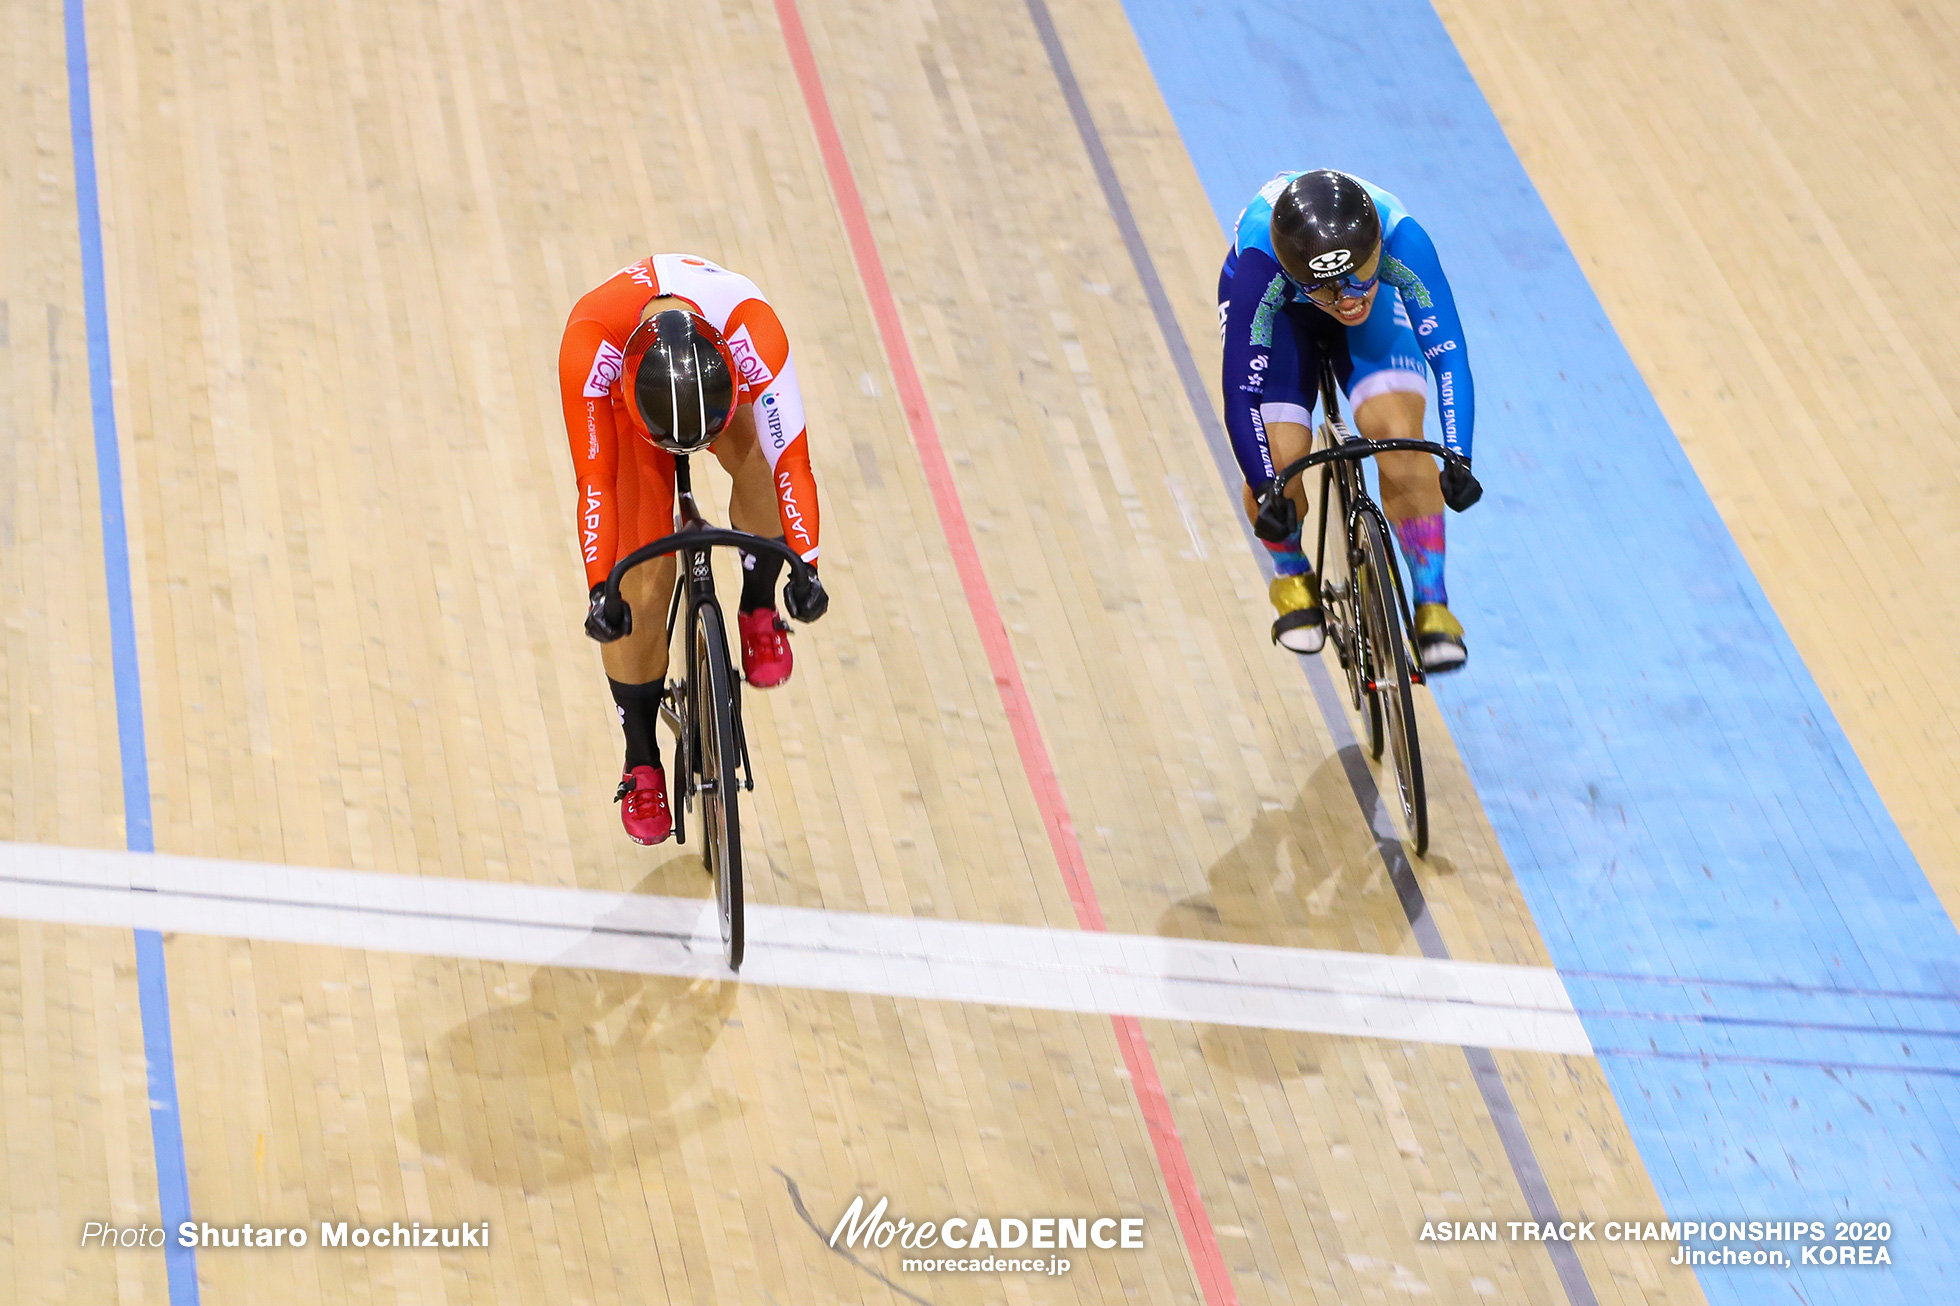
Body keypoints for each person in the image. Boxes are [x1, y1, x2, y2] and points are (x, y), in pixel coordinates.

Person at [558, 254, 826, 845]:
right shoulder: (591, 348)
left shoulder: (752, 330)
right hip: (633, 415)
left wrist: (805, 566)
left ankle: (758, 606)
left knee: (763, 468)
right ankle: (641, 759)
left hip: (710, 388)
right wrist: (603, 587)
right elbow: (595, 486)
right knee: (642, 590)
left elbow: (794, 463)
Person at [1217, 170, 1482, 672]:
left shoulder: (1401, 239)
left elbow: (1448, 355)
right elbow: (1241, 395)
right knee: (1280, 461)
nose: (1347, 300)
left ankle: (1432, 605)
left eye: (1357, 276)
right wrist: (1265, 485)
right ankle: (1292, 575)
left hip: (1341, 294)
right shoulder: (1261, 268)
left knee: (1401, 437)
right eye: (1329, 289)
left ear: (1376, 247)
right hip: (1285, 312)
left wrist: (1459, 455)